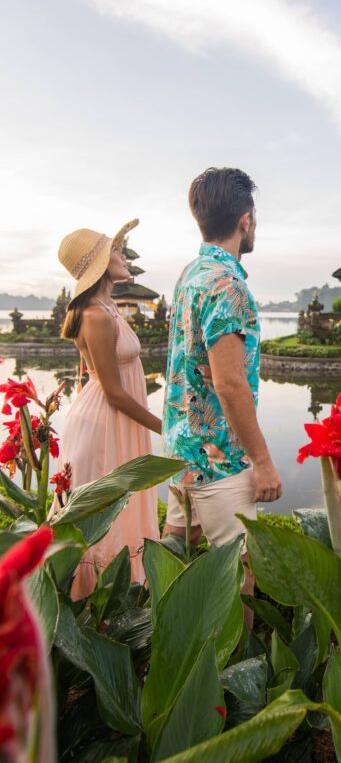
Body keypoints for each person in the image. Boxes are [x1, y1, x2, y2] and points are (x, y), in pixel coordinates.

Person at [162, 168, 282, 600]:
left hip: (180, 452)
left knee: (175, 570)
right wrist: (262, 461)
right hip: (221, 460)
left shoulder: (190, 276)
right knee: (236, 587)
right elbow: (230, 385)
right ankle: (235, 665)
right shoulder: (227, 286)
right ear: (245, 220)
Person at [57, 220, 161, 598]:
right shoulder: (96, 315)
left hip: (112, 418)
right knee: (105, 517)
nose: (123, 256)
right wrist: (164, 426)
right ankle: (93, 607)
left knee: (123, 507)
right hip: (105, 422)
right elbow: (114, 393)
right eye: (116, 251)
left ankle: (122, 603)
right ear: (100, 264)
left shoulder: (106, 307)